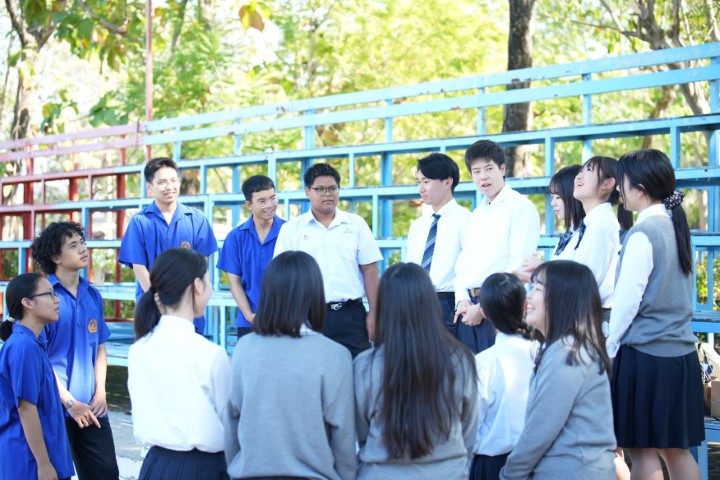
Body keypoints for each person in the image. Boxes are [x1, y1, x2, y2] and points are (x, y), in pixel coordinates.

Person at [608, 149, 704, 480]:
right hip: (681, 356)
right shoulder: (676, 227)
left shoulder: (643, 233)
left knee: (643, 451)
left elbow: (626, 304)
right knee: (677, 451)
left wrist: (609, 348)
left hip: (646, 357)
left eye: (622, 181)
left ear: (641, 187)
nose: (619, 189)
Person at [224, 251, 356, 479]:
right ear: (315, 294)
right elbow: (343, 435)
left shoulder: (244, 349)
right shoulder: (335, 355)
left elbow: (231, 426)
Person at [354, 262, 478, 479]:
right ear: (431, 304)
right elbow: (468, 431)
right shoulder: (461, 360)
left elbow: (361, 432)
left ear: (384, 307)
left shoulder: (365, 365)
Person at [500, 260, 616, 479]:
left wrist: (509, 474)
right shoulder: (563, 348)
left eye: (537, 288)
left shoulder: (567, 352)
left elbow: (540, 430)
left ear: (562, 297)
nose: (529, 296)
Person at [127, 248, 230, 480]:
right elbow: (231, 424)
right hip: (202, 469)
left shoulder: (138, 350)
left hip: (154, 466)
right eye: (208, 282)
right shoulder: (210, 354)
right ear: (197, 286)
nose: (211, 289)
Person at [30, 221, 119, 479]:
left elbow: (99, 347)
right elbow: (40, 360)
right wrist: (70, 402)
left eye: (82, 243)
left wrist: (101, 392)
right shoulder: (42, 298)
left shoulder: (92, 294)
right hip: (55, 408)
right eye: (73, 245)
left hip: (92, 407)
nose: (82, 249)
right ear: (56, 257)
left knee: (106, 474)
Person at [274, 162, 382, 358]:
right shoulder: (291, 229)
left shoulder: (356, 224)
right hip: (307, 317)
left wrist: (374, 312)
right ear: (308, 192)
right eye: (320, 189)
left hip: (351, 315)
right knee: (312, 372)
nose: (327, 194)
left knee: (357, 370)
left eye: (333, 188)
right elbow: (283, 278)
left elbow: (370, 270)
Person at [454, 139, 540, 354]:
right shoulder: (476, 214)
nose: (482, 177)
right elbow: (463, 264)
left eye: (488, 169)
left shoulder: (520, 207)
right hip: (469, 309)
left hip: (498, 307)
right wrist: (462, 300)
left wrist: (483, 307)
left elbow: (518, 267)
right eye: (476, 172)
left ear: (502, 169)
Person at [119, 157, 218, 334]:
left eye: (173, 180)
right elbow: (139, 269)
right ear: (149, 187)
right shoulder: (140, 222)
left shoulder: (196, 219)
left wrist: (188, 303)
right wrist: (161, 303)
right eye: (162, 182)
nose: (169, 186)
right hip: (152, 311)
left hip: (189, 310)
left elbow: (201, 266)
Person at [0, 273, 75, 480]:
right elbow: (26, 408)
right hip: (28, 462)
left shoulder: (32, 343)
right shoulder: (23, 346)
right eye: (49, 294)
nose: (56, 300)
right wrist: (43, 464)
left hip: (43, 458)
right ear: (27, 303)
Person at [471, 273, 536, 480]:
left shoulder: (484, 362)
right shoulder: (544, 353)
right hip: (539, 461)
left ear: (483, 312)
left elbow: (470, 425)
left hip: (492, 465)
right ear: (525, 306)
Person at [405, 153, 471, 338]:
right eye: (418, 182)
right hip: (416, 303)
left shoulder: (467, 220)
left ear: (447, 182)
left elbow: (467, 268)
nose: (420, 188)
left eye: (426, 182)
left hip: (448, 303)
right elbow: (411, 268)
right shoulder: (418, 225)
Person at [216, 175, 285, 338]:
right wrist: (249, 316)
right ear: (249, 205)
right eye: (262, 201)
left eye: (272, 198)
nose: (270, 205)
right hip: (249, 322)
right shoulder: (235, 237)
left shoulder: (289, 231)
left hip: (285, 321)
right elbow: (234, 282)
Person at [515, 165, 585, 282]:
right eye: (553, 197)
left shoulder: (587, 232)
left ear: (573, 196)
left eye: (558, 197)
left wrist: (543, 267)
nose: (553, 203)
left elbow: (578, 281)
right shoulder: (570, 234)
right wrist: (537, 275)